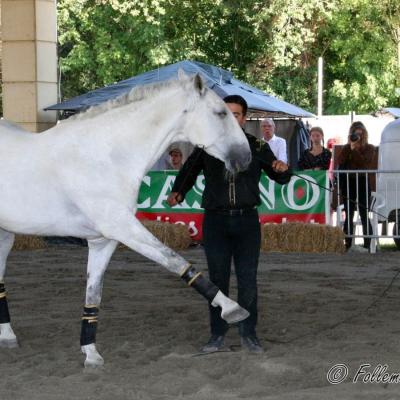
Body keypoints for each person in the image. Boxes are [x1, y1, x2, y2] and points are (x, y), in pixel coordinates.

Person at [167, 95, 292, 353]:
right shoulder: (206, 145)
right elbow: (189, 170)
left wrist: (282, 169)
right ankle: (217, 334)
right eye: (226, 113)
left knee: (248, 281)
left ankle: (249, 334)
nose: (231, 117)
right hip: (215, 222)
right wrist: (178, 191)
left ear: (244, 118)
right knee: (217, 281)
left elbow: (279, 175)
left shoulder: (256, 145)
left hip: (247, 222)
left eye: (236, 114)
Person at [337, 121, 376, 250]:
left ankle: (367, 245)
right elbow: (340, 161)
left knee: (364, 214)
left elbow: (364, 164)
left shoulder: (369, 148)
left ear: (364, 134)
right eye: (355, 133)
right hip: (349, 183)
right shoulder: (347, 147)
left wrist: (354, 150)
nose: (358, 136)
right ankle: (347, 245)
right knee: (349, 214)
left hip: (362, 182)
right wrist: (349, 146)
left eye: (360, 133)